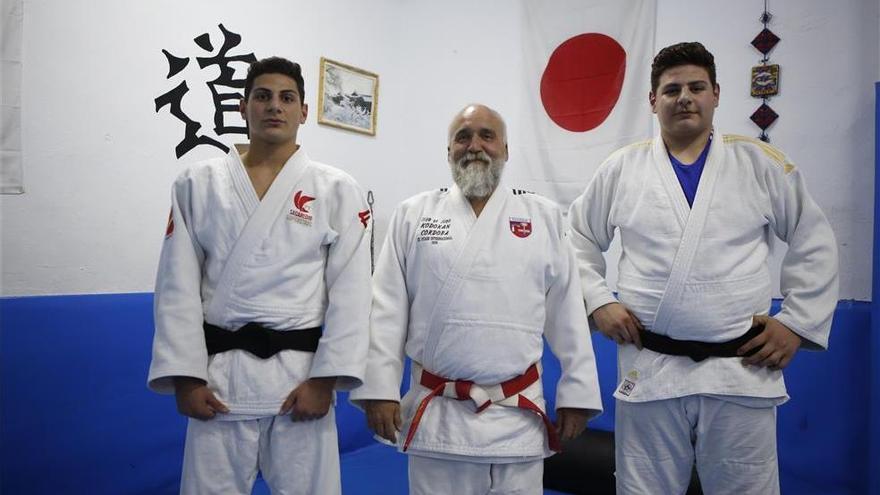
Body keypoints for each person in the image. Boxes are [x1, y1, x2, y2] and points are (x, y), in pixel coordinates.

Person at [568, 42, 839, 494]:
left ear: (716, 93)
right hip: (650, 366)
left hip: (741, 369)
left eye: (696, 86)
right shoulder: (621, 169)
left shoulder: (760, 164)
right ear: (653, 101)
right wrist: (598, 301)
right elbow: (575, 237)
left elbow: (816, 240)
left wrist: (795, 323)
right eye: (671, 89)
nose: (684, 97)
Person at [350, 104, 603, 495]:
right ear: (448, 150)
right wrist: (380, 390)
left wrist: (578, 392)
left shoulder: (544, 216)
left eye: (487, 136)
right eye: (463, 137)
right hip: (438, 412)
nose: (475, 146)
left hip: (516, 414)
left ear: (505, 148)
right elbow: (386, 308)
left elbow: (567, 311)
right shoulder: (413, 215)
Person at [147, 56, 372, 494]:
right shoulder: (197, 183)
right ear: (243, 107)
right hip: (219, 381)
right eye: (263, 96)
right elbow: (176, 286)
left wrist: (326, 380)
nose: (275, 106)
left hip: (300, 380)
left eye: (287, 98)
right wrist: (187, 377)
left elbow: (352, 292)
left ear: (304, 112)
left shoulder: (336, 188)